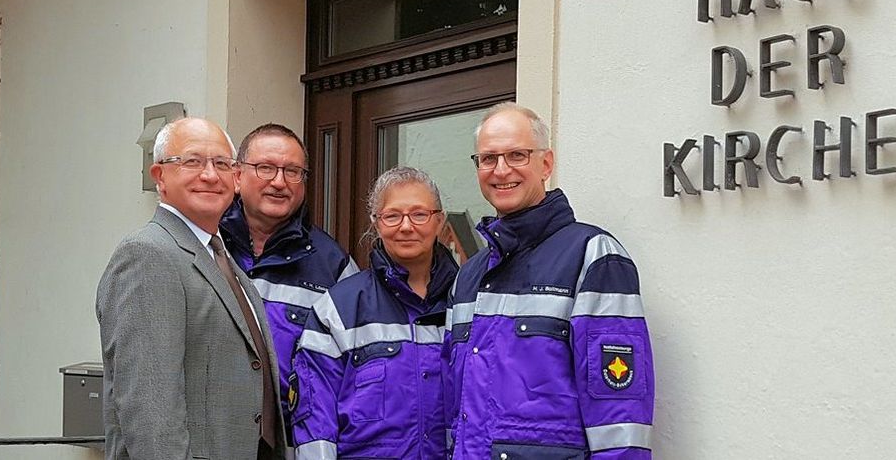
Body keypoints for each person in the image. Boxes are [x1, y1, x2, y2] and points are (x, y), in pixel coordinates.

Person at [443, 102, 655, 458]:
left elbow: (619, 414)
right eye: (488, 158)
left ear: (546, 163)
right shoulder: (469, 276)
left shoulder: (592, 256)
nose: (501, 170)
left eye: (517, 155)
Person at [96, 117, 285, 460]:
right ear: (159, 177)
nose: (210, 175)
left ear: (236, 178)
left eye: (221, 164)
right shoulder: (148, 255)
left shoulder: (220, 258)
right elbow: (150, 409)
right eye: (192, 162)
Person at [291, 166, 458, 459]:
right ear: (376, 223)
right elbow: (315, 421)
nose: (406, 226)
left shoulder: (469, 302)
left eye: (419, 214)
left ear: (440, 221)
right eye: (392, 216)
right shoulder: (340, 308)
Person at [219, 123, 357, 439]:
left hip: (289, 441)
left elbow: (352, 372)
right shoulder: (205, 246)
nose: (279, 182)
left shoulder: (332, 265)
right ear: (237, 176)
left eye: (293, 171)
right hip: (210, 439)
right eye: (266, 168)